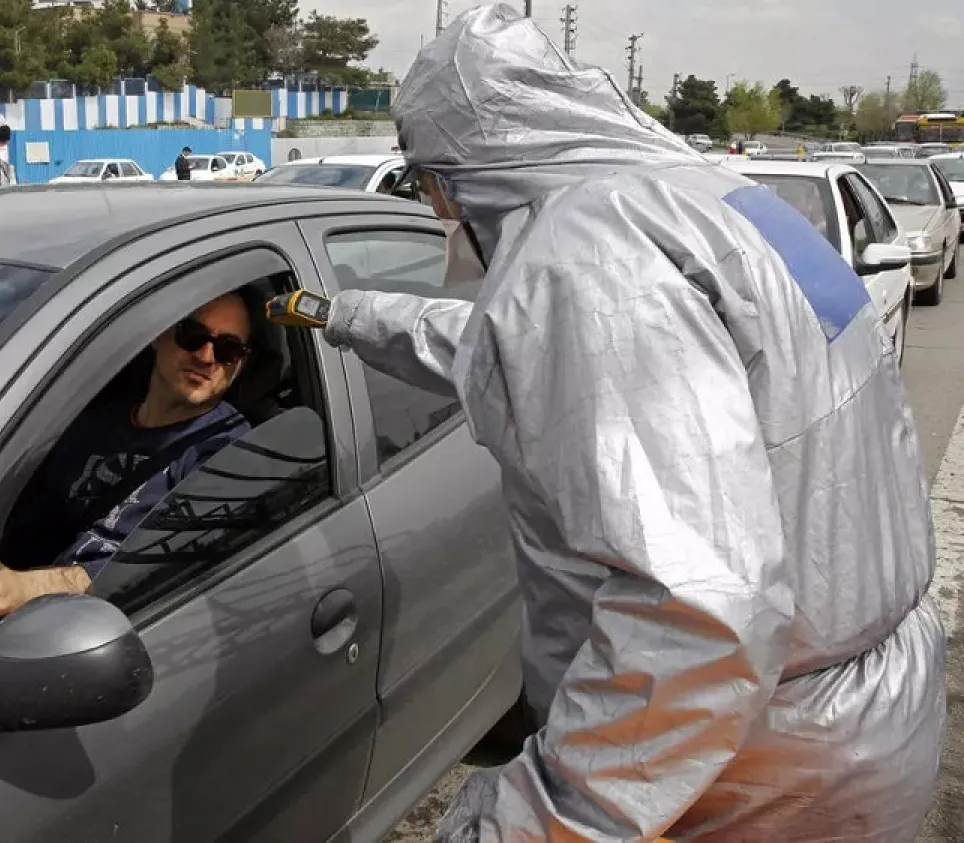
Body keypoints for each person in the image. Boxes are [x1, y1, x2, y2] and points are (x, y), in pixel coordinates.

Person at [280, 6, 942, 840]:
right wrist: (335, 313)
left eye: (428, 179)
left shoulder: (589, 258)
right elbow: (521, 350)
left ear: (460, 169)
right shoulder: (698, 200)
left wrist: (539, 814)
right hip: (850, 708)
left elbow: (698, 609)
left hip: (750, 760)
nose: (436, 205)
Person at [0, 291, 255, 616]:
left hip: (94, 625)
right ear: (159, 333)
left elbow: (145, 574)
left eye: (228, 349)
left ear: (240, 365)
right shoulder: (92, 425)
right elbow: (26, 525)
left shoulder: (230, 453)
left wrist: (15, 590)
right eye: (192, 335)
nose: (205, 356)